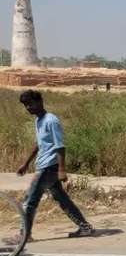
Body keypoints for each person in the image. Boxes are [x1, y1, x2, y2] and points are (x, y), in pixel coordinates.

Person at [16, 90, 93, 241]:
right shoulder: (39, 121)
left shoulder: (51, 120)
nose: (28, 108)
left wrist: (62, 170)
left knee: (30, 200)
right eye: (25, 105)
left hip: (48, 167)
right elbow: (39, 144)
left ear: (40, 102)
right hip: (45, 166)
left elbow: (60, 146)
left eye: (30, 104)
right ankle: (85, 227)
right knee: (62, 199)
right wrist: (26, 163)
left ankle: (24, 235)